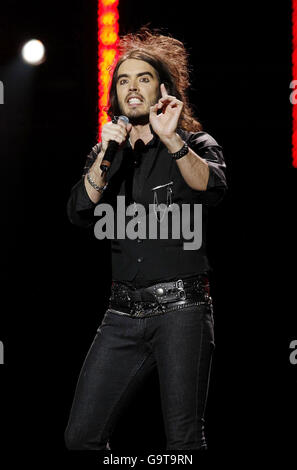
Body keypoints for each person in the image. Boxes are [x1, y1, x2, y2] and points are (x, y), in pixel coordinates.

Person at [64, 28, 227, 451]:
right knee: (81, 437)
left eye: (143, 79)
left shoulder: (194, 143)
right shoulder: (107, 154)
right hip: (121, 314)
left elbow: (211, 188)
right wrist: (104, 155)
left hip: (182, 310)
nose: (132, 87)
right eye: (123, 80)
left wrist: (172, 140)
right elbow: (79, 212)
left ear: (163, 90)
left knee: (183, 440)